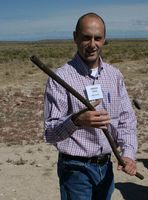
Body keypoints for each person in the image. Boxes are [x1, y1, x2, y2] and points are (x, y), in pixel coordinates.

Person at [44, 12, 138, 200]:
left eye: (98, 38)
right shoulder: (60, 78)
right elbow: (50, 133)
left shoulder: (114, 75)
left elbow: (126, 119)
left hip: (106, 167)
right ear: (75, 38)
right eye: (86, 38)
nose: (92, 44)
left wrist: (128, 154)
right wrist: (76, 121)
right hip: (75, 169)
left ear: (104, 40)